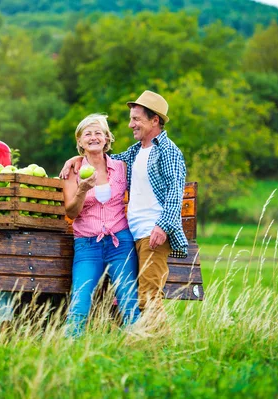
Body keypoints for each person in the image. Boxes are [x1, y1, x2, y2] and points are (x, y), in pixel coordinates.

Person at [61, 90, 187, 324]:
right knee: (135, 298)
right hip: (130, 234)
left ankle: (157, 349)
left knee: (146, 298)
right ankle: (145, 344)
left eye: (136, 119)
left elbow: (175, 192)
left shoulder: (168, 151)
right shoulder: (134, 152)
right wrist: (75, 159)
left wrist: (163, 226)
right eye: (131, 119)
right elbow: (100, 158)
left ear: (154, 120)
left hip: (151, 233)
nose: (131, 125)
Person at [63, 113, 140, 338]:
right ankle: (70, 349)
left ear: (107, 139)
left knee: (128, 299)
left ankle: (138, 345)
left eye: (99, 133)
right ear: (79, 141)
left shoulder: (121, 168)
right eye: (88, 134)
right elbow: (71, 212)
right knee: (80, 299)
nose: (94, 137)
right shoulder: (73, 171)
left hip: (120, 243)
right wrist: (82, 189)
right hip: (88, 245)